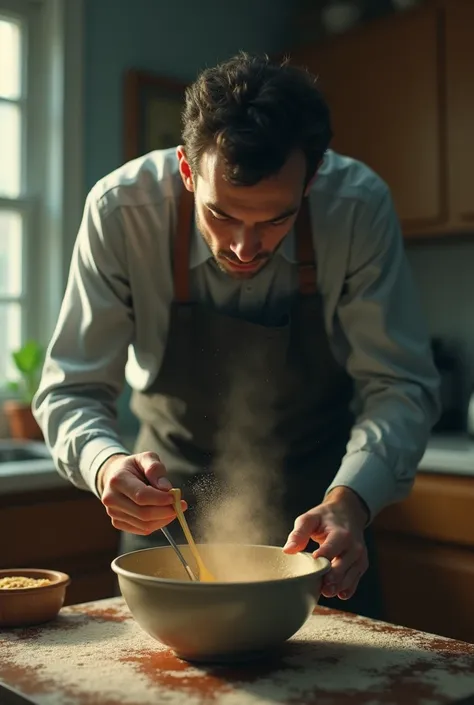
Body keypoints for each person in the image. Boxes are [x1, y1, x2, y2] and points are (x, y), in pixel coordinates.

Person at [33, 52, 440, 619]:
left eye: (276, 219)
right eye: (221, 215)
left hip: (321, 521)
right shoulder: (122, 211)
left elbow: (401, 385)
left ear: (313, 179)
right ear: (185, 170)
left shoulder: (357, 207)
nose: (245, 249)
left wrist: (351, 502)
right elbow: (70, 390)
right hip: (166, 520)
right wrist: (106, 466)